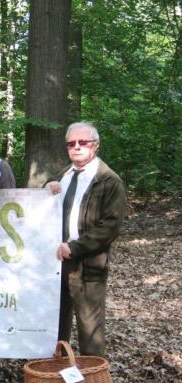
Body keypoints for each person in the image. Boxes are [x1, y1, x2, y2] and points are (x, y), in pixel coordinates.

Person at [45, 122, 126, 356]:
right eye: (71, 143)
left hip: (88, 265)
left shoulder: (109, 181)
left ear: (96, 145)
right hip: (55, 263)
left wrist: (75, 247)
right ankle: (56, 376)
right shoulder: (62, 175)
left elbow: (110, 226)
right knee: (55, 326)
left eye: (83, 142)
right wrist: (46, 188)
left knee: (89, 330)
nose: (77, 147)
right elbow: (41, 210)